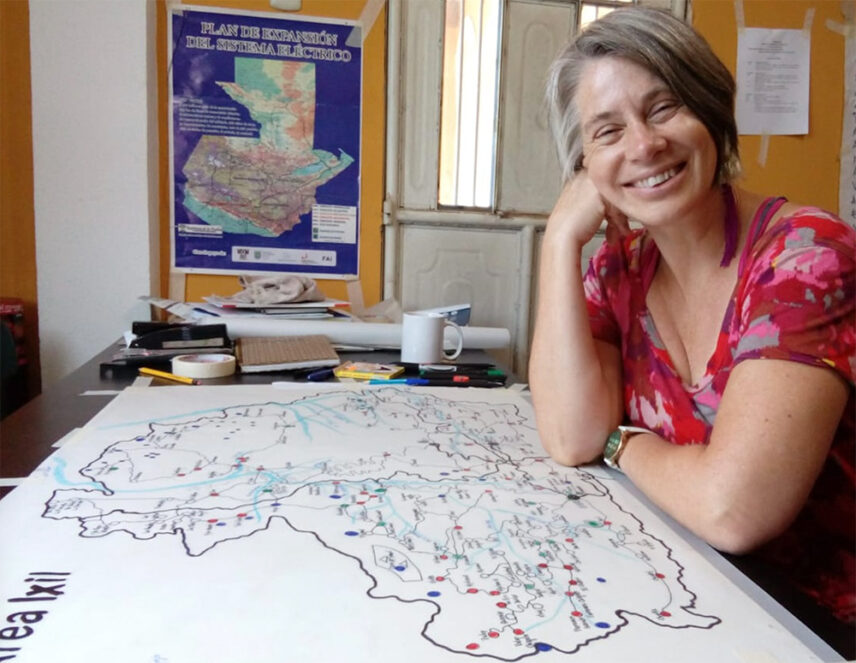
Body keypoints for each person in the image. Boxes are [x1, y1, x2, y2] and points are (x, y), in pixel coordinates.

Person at [529, 4, 856, 642]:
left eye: (664, 108)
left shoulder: (806, 256)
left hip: (812, 626)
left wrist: (623, 444)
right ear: (583, 169)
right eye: (606, 132)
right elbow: (571, 437)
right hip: (688, 593)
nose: (645, 146)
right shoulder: (615, 269)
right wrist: (558, 241)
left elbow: (733, 510)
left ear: (711, 112)